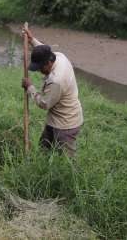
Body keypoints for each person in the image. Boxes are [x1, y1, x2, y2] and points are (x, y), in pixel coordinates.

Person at [21, 24, 84, 157]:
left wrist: (30, 88)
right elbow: (44, 49)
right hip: (54, 120)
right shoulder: (58, 56)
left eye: (40, 67)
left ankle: (73, 177)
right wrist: (32, 40)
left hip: (66, 124)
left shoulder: (56, 80)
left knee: (68, 162)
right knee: (44, 151)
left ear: (48, 63)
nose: (39, 70)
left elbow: (44, 104)